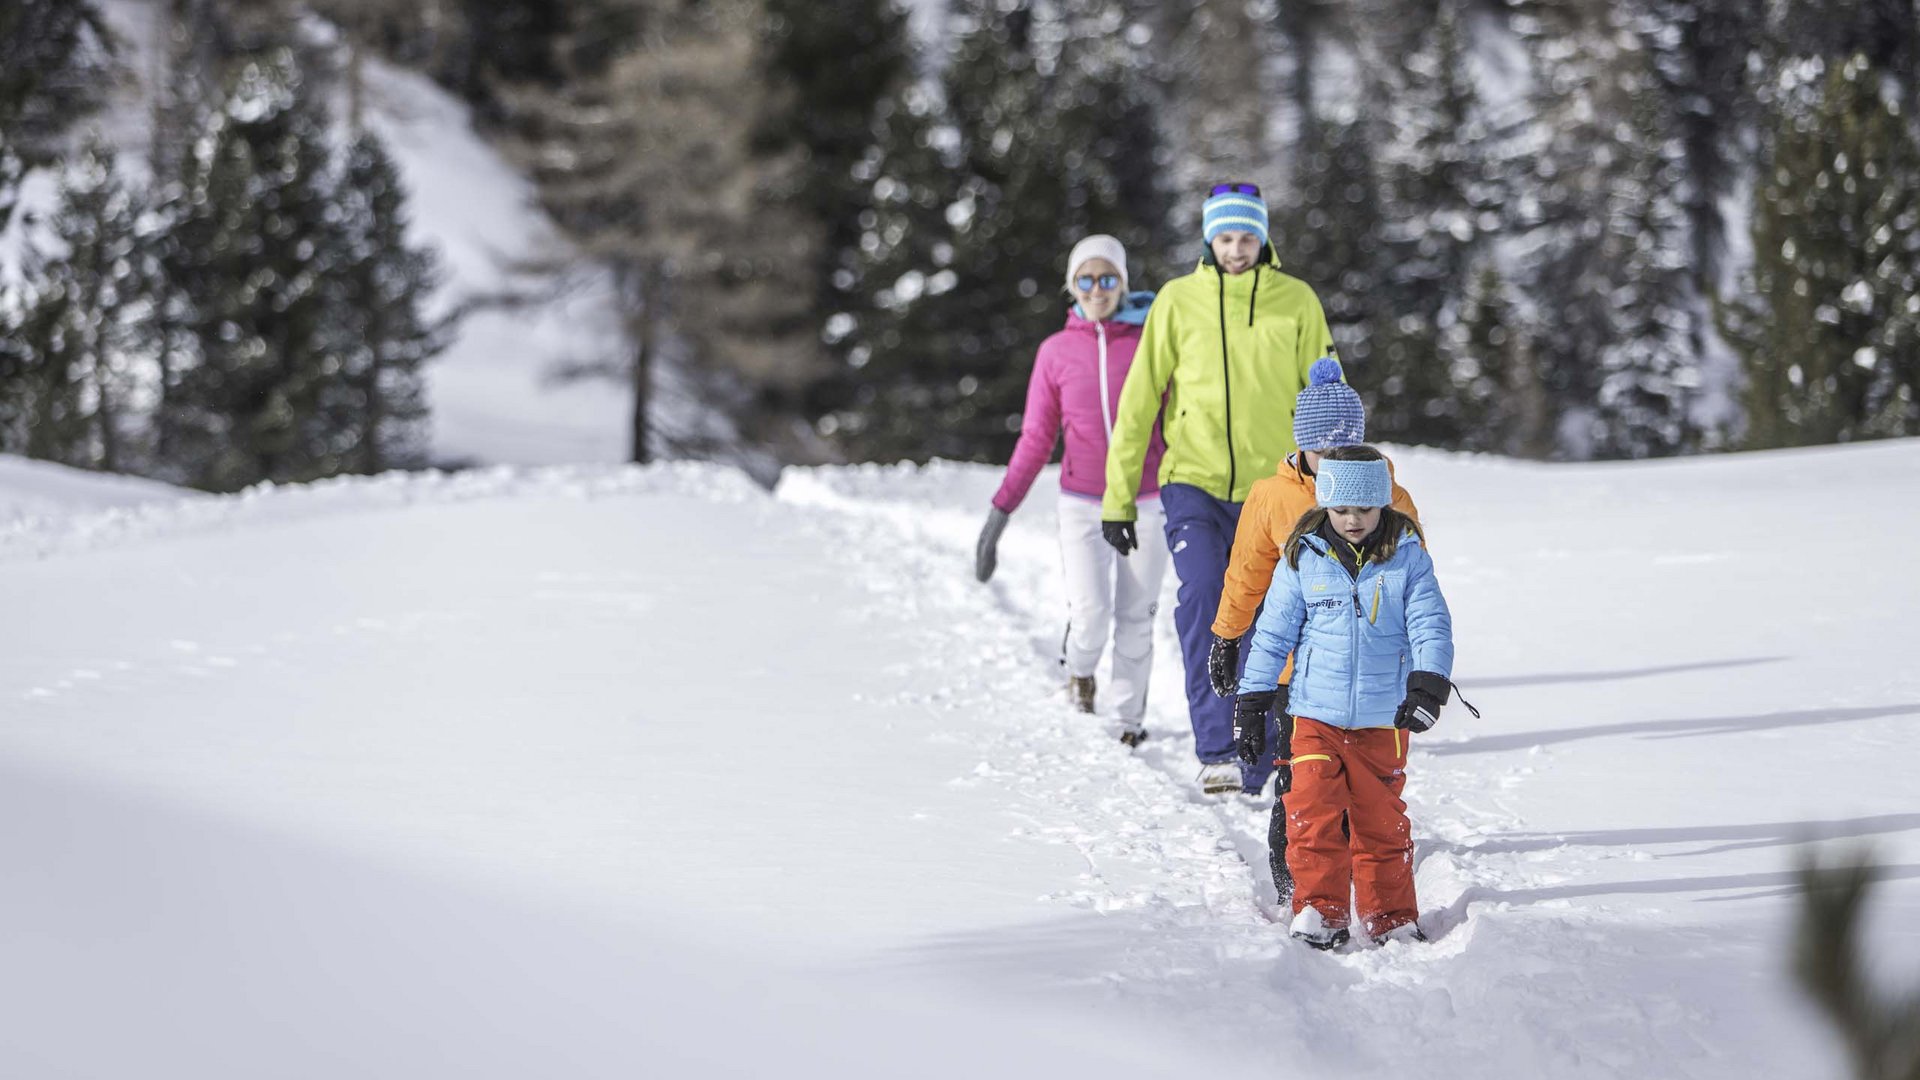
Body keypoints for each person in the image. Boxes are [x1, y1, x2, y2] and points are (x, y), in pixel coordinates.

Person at [1100, 181, 1338, 796]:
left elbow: (1328, 399)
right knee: (1206, 595)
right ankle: (1218, 747)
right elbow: (1139, 400)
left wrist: (1337, 480)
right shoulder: (1178, 302)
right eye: (1226, 237)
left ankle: (1268, 755)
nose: (1237, 249)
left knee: (1274, 613)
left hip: (1278, 487)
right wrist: (1118, 497)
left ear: (1264, 237)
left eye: (1248, 236)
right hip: (1193, 481)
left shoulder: (1297, 301)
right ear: (1209, 238)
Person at [1235, 445, 1472, 949]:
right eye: (1340, 509)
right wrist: (1252, 701)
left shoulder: (1407, 555)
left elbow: (1430, 624)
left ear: (1382, 503)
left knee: (1380, 824)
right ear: (1325, 504)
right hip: (1314, 714)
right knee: (1312, 816)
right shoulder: (1303, 556)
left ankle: (1390, 917)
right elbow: (1274, 634)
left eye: (1363, 509)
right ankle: (1321, 911)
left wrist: (1429, 682)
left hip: (1382, 717)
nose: (1351, 519)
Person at [1204, 359, 1423, 902]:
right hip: (1294, 677)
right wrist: (1229, 635)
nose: (1332, 464)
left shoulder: (1391, 499)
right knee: (1300, 785)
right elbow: (1248, 572)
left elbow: (1416, 588)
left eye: (1343, 452)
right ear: (1301, 446)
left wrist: (1418, 665)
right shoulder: (1273, 496)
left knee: (1365, 788)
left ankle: (1358, 876)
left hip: (1369, 676)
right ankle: (1296, 883)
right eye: (1321, 452)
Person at [975, 234, 1169, 744]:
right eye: (1086, 279)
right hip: (1082, 502)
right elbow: (1037, 436)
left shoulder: (1151, 340)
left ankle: (1127, 721)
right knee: (1091, 614)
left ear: (1123, 283)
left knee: (1136, 615)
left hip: (1148, 500)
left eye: (1108, 279)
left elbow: (1178, 420)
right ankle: (1079, 670)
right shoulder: (1055, 352)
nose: (1097, 289)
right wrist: (1001, 511)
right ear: (1072, 285)